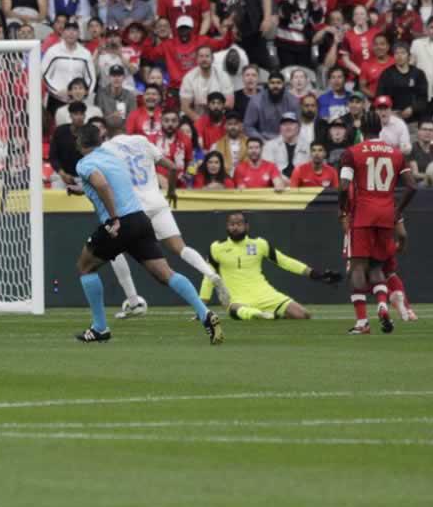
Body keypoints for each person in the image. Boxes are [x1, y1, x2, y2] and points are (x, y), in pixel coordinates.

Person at [71, 124, 223, 344]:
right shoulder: (113, 157)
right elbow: (108, 182)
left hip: (119, 224)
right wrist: (81, 189)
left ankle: (100, 328)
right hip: (140, 220)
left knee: (85, 267)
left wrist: (113, 218)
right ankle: (205, 313)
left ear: (80, 142)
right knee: (166, 273)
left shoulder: (84, 163)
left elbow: (102, 184)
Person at [100, 121, 230, 320]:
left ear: (107, 132)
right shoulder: (141, 140)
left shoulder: (106, 148)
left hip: (134, 208)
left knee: (113, 251)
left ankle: (133, 301)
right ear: (126, 128)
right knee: (180, 247)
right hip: (157, 201)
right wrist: (171, 191)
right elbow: (173, 167)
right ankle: (211, 274)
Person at [201, 211, 342, 320]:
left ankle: (268, 315)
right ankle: (259, 314)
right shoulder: (216, 248)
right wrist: (202, 307)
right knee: (237, 309)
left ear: (247, 226)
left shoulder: (259, 244)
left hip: (265, 295)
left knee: (303, 315)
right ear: (227, 226)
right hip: (237, 299)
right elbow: (209, 277)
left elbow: (285, 262)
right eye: (232, 224)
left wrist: (315, 274)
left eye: (239, 224)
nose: (235, 227)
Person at [339, 136, 415, 334]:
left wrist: (343, 211)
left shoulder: (353, 154)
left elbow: (344, 187)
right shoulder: (396, 154)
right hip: (386, 215)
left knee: (356, 269)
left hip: (362, 217)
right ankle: (383, 304)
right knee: (377, 267)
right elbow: (412, 186)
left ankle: (362, 322)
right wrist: (397, 212)